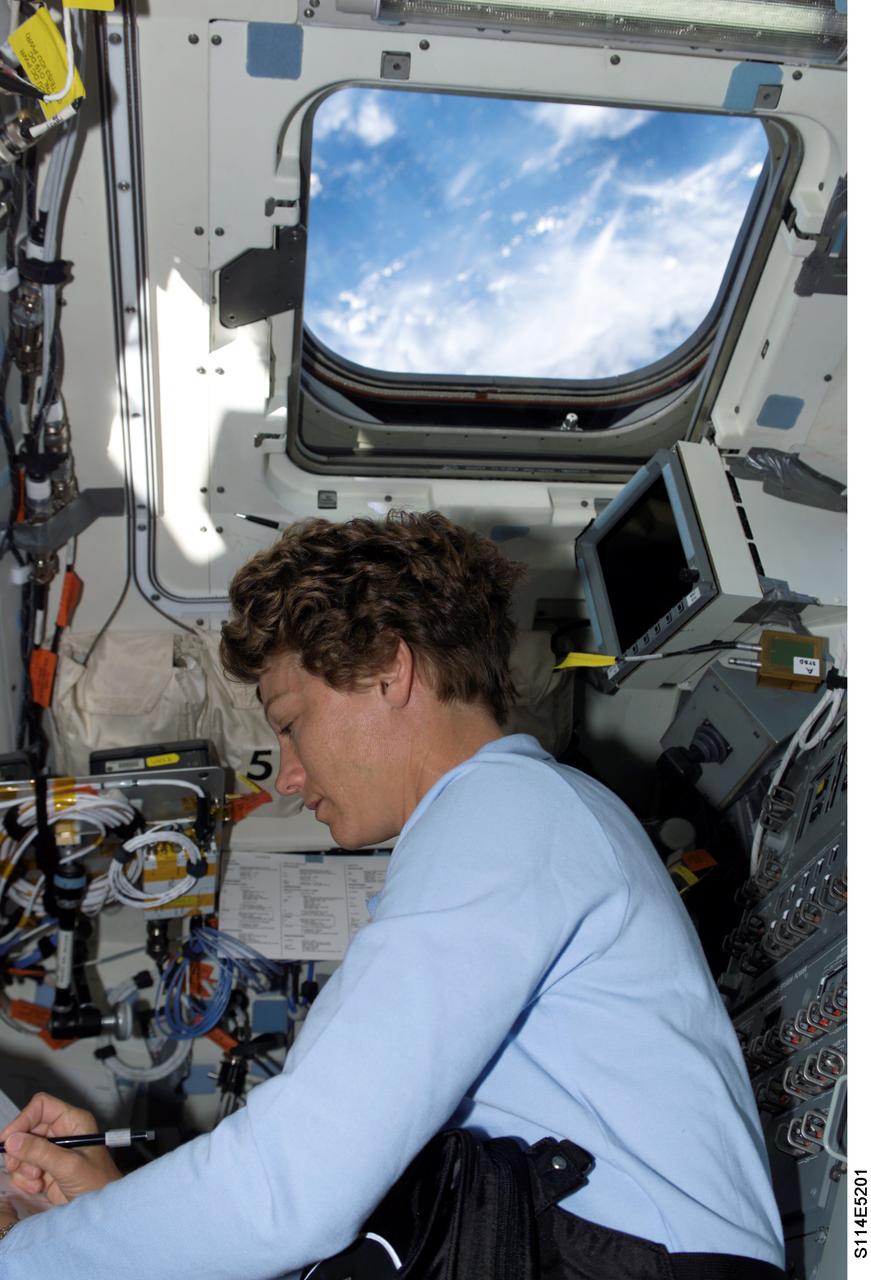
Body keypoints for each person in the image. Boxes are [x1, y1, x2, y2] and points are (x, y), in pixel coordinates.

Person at [0, 511, 785, 1277]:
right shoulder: (514, 820)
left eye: (292, 723)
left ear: (388, 668)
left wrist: (23, 1258)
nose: (291, 773)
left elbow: (291, 1188)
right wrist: (98, 1216)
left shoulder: (507, 812)